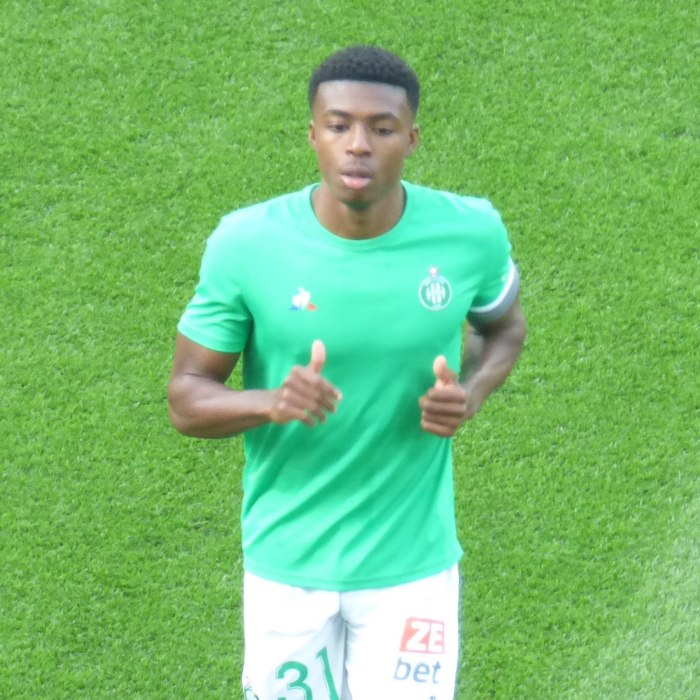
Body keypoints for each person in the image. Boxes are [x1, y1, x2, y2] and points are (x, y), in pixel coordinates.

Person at [168, 45, 527, 700]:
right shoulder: (246, 244)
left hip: (411, 565)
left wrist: (471, 393)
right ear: (313, 134)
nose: (358, 145)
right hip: (288, 566)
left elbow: (502, 327)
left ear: (411, 138)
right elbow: (186, 398)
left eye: (381, 128)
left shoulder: (470, 232)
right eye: (339, 126)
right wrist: (271, 401)